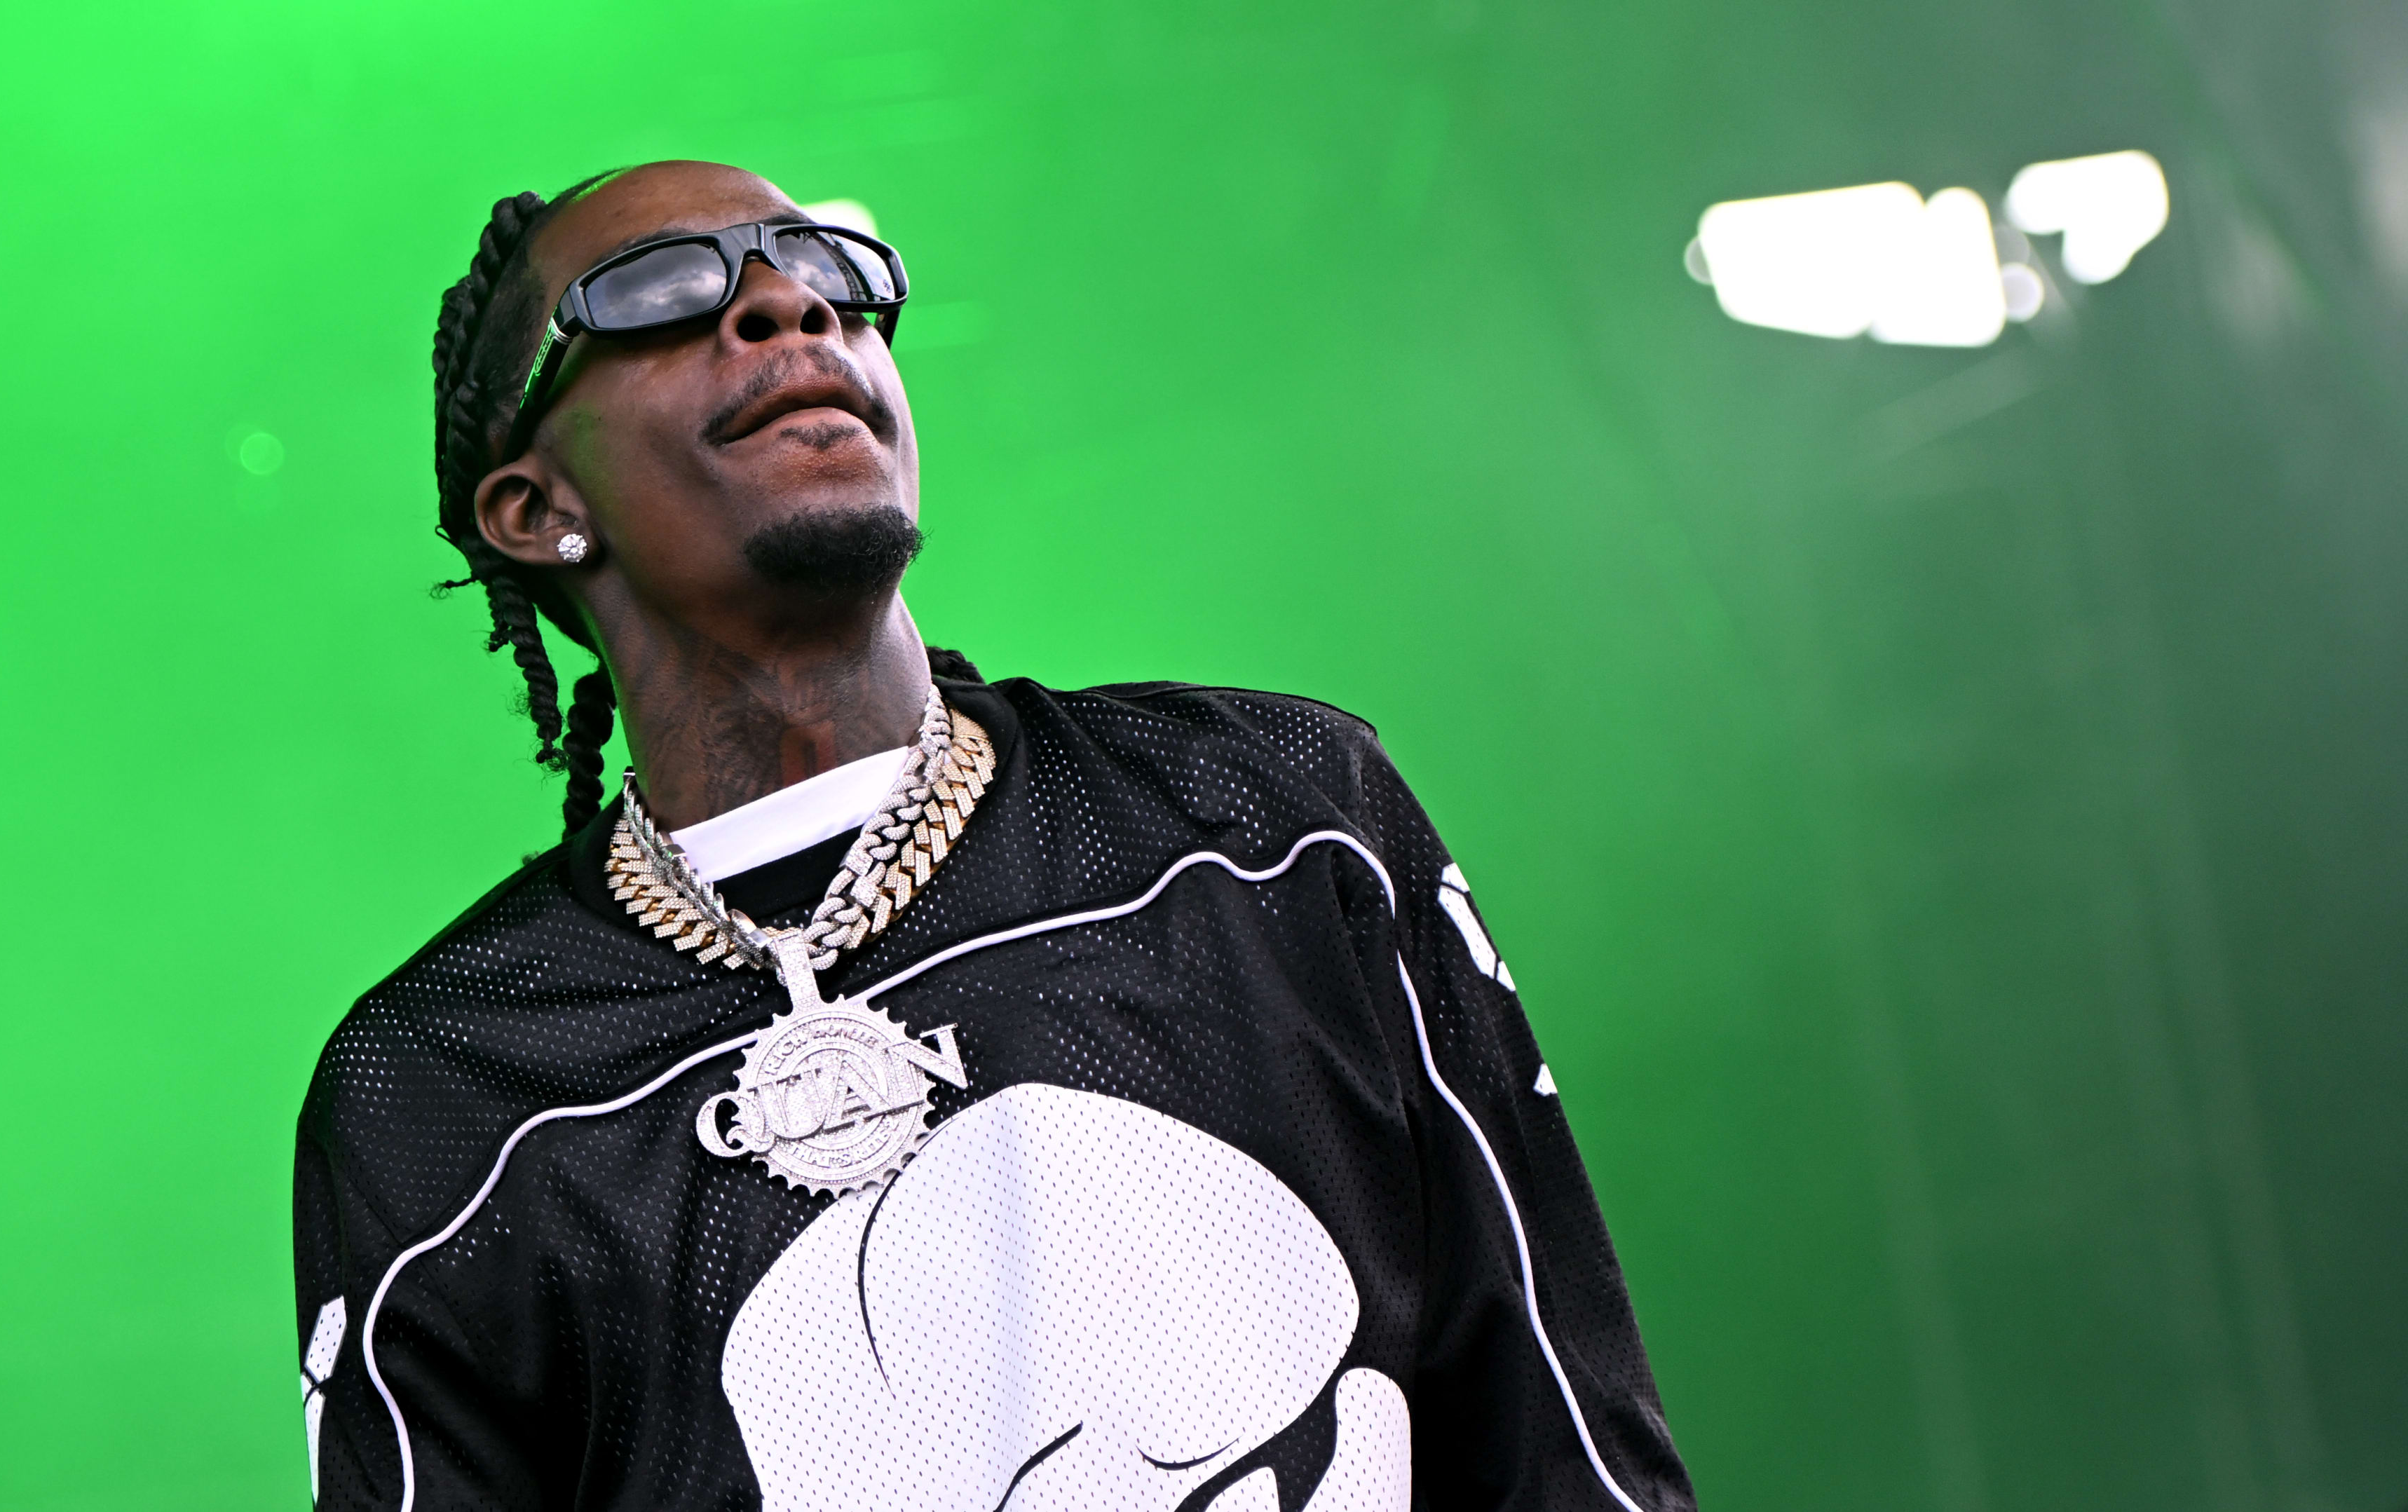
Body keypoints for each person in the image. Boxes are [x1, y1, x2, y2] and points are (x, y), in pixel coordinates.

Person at [292, 160, 1697, 1512]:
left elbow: (1567, 1441)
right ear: (537, 509)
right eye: (661, 288)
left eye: (829, 271)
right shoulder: (443, 1080)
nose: (788, 306)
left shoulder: (1268, 817)